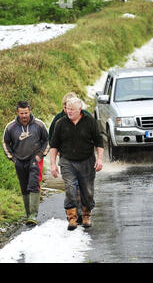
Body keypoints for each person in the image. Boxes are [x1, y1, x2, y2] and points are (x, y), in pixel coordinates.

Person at [49, 97, 104, 231]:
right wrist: (53, 165)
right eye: (68, 109)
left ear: (80, 109)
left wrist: (100, 159)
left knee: (87, 191)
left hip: (86, 161)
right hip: (67, 161)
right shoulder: (60, 123)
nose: (69, 112)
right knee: (70, 188)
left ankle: (86, 216)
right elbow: (54, 145)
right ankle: (72, 219)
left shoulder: (89, 121)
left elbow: (99, 141)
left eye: (72, 109)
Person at [2, 101, 49, 226]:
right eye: (21, 113)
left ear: (30, 111)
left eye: (26, 113)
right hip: (19, 160)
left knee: (33, 184)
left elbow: (47, 140)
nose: (24, 116)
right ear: (17, 113)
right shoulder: (10, 127)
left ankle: (33, 215)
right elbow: (5, 142)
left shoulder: (39, 125)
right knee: (24, 187)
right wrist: (12, 158)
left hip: (34, 160)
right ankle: (28, 214)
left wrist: (40, 155)